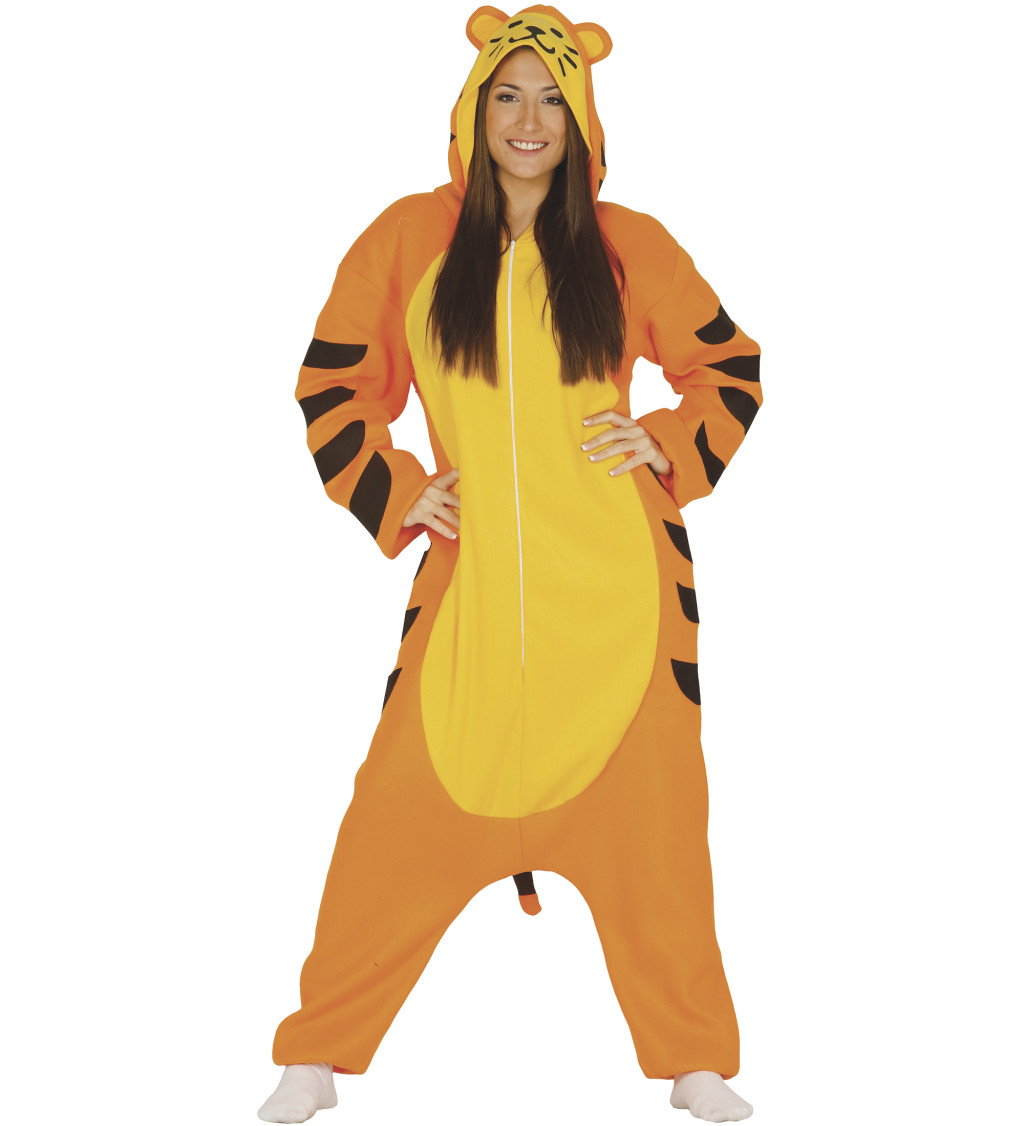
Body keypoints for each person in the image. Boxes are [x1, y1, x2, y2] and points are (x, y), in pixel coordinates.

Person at [258, 6, 762, 1123]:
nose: (528, 120)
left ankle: (694, 1060)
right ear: (473, 112)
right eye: (507, 96)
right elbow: (330, 383)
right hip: (470, 600)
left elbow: (729, 368)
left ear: (579, 121)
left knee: (658, 837)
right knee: (389, 821)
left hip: (620, 603)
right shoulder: (407, 240)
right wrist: (396, 489)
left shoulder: (629, 244)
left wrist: (666, 445)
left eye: (550, 100)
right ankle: (317, 1051)